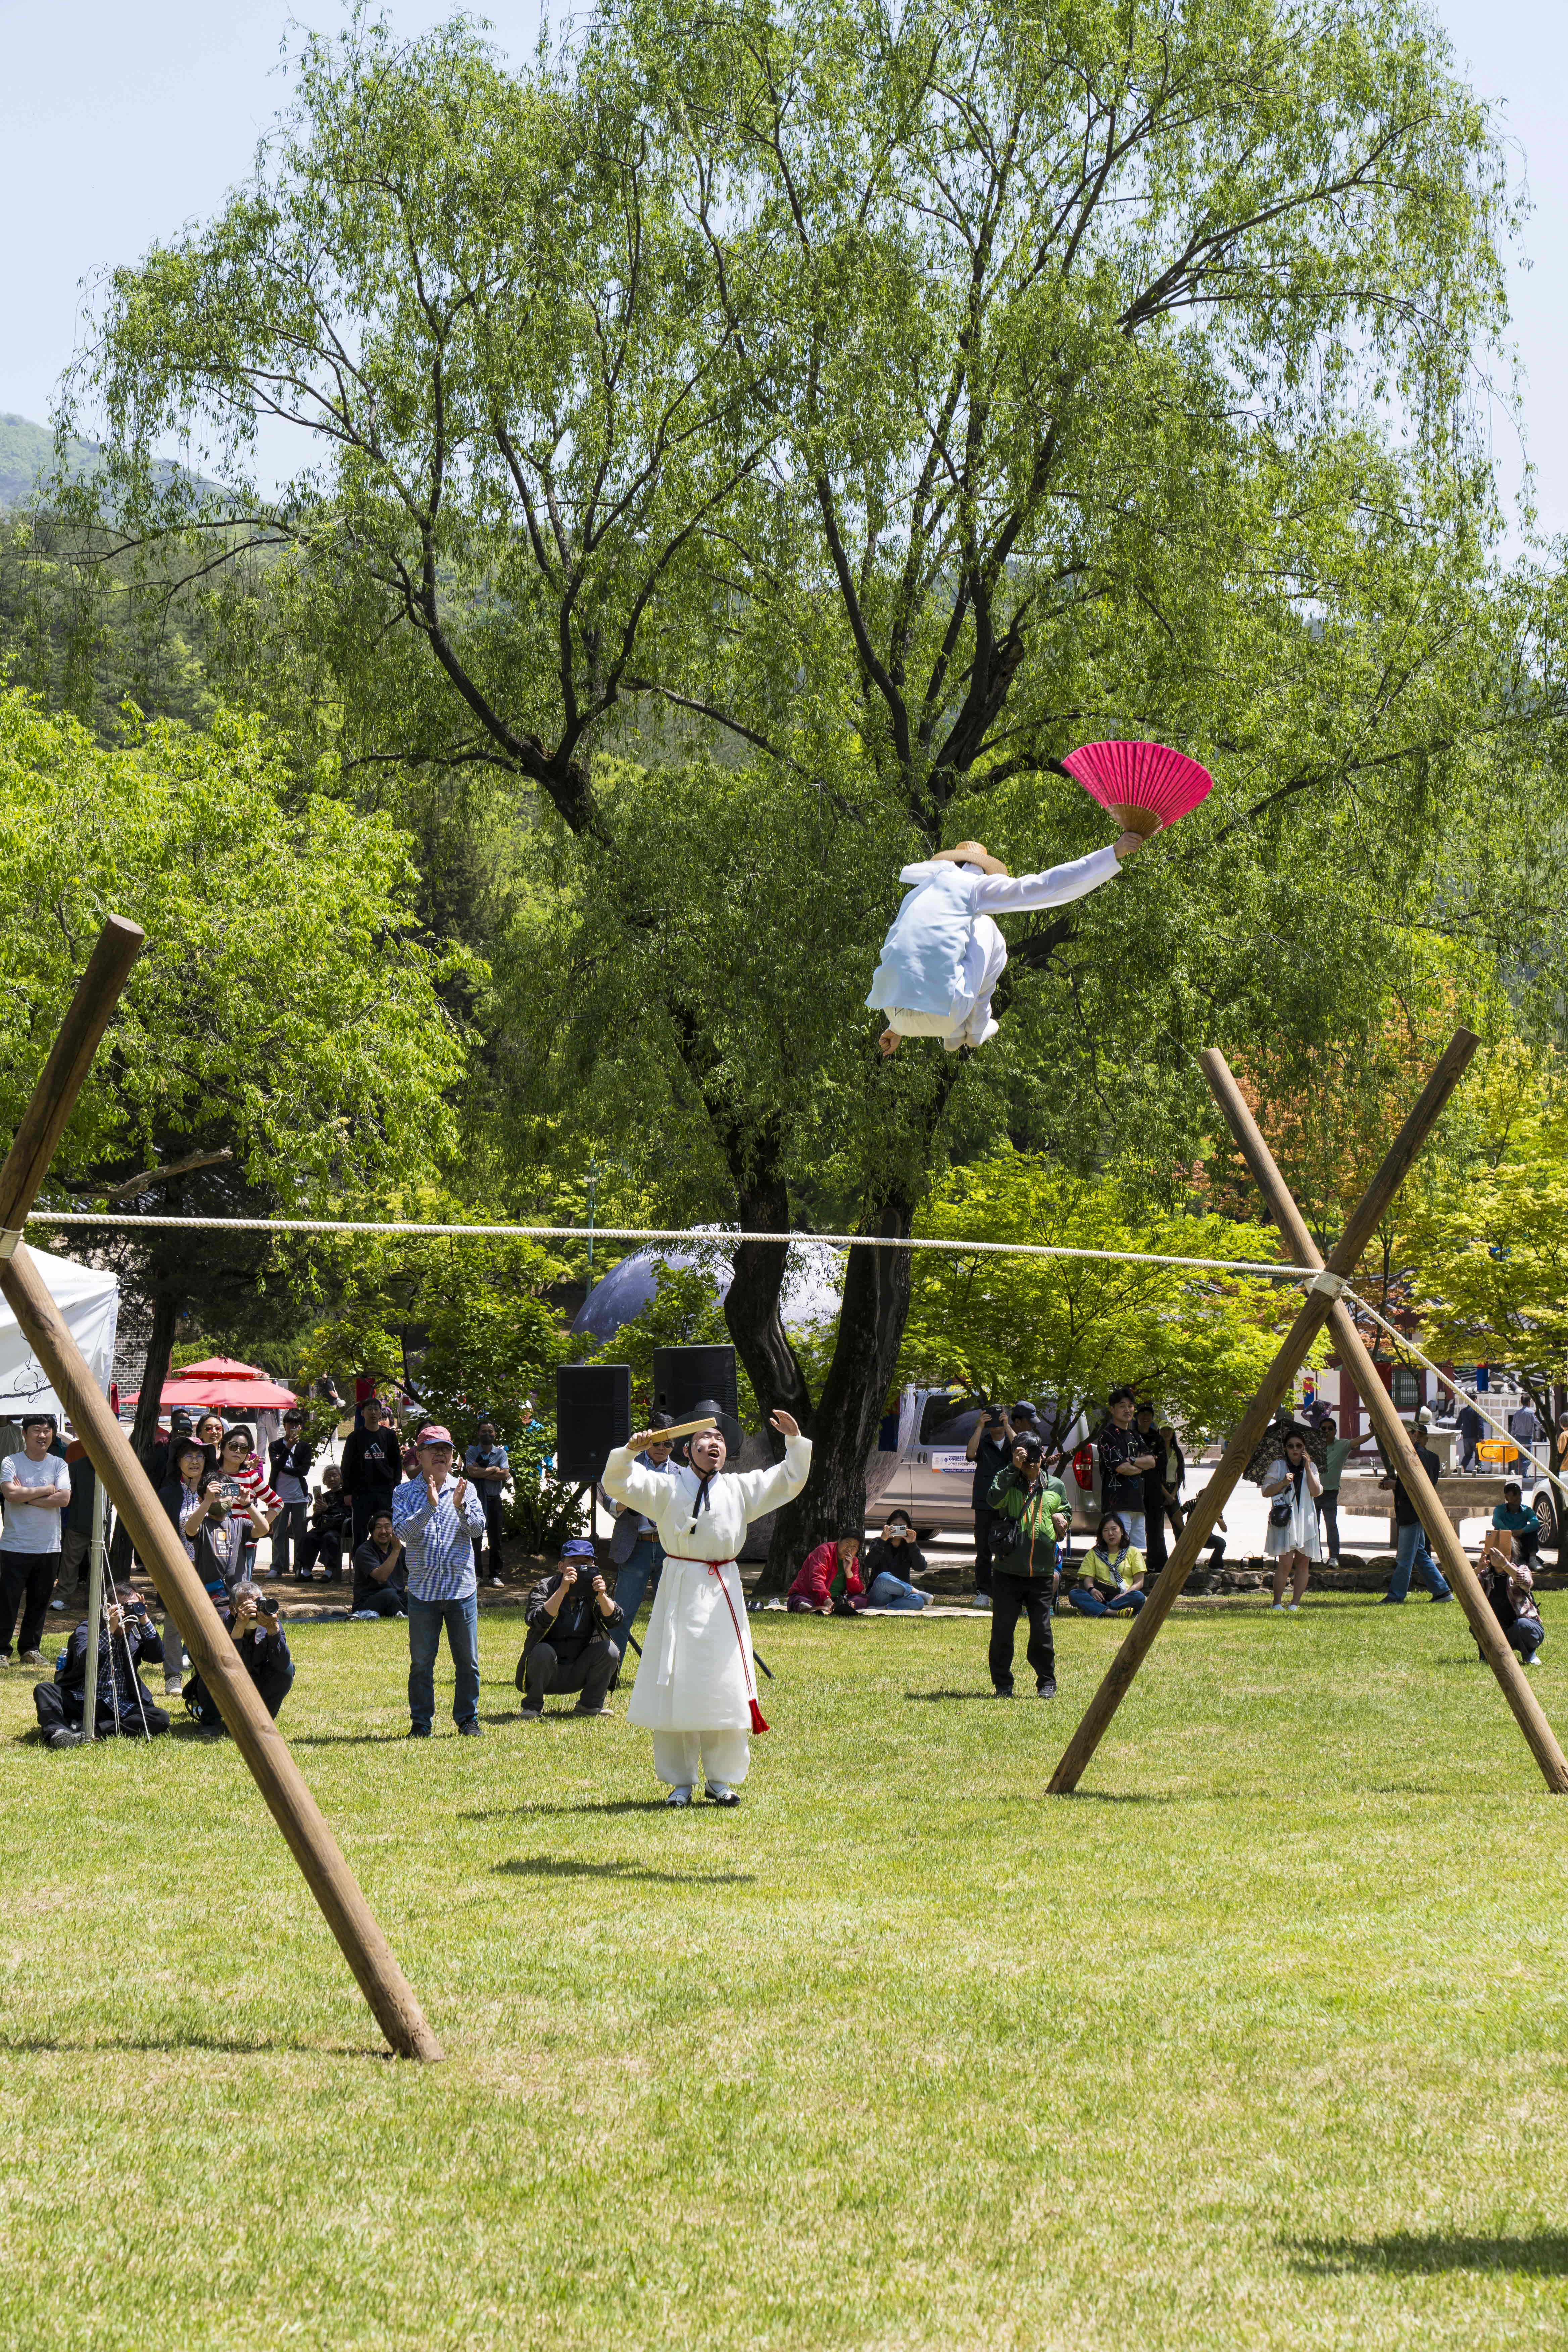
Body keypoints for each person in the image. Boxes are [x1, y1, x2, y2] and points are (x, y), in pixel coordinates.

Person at [601, 1409, 810, 1805]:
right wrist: (629, 1451)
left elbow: (788, 1479)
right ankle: (680, 1783)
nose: (713, 1444)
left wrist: (795, 1441)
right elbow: (619, 1483)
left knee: (724, 1684)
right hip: (680, 1591)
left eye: (719, 1439)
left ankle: (720, 1779)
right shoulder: (665, 1486)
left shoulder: (739, 1488)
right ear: (686, 1450)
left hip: (723, 1593)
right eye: (704, 1438)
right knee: (677, 1683)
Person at [868, 831, 1143, 1055]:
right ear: (984, 875)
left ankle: (954, 1034)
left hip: (894, 1010)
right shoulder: (974, 886)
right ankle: (975, 1029)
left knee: (947, 938)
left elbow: (908, 956)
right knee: (987, 928)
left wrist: (898, 1027)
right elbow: (1045, 886)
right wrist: (1112, 853)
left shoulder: (920, 893)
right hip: (944, 1013)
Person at [392, 1424, 488, 1738]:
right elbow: (402, 1533)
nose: (440, 1454)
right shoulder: (404, 1493)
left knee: (468, 1662)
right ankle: (421, 1723)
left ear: (453, 1457)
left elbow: (477, 1531)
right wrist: (429, 1507)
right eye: (433, 1449)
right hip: (424, 1593)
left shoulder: (466, 1489)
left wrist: (459, 1507)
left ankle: (468, 1720)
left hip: (462, 1590)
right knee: (422, 1664)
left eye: (446, 1449)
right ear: (419, 1456)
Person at [34, 1585, 169, 1746]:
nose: (129, 1615)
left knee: (159, 1718)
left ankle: (91, 1730)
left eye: (133, 1607)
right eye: (124, 1608)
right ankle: (58, 1732)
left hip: (120, 1704)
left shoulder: (136, 1633)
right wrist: (110, 1630)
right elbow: (85, 1660)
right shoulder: (87, 1629)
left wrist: (144, 1618)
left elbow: (157, 1657)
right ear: (108, 1608)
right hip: (83, 1700)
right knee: (44, 1690)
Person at [986, 1432, 1067, 1698]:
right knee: (1003, 1631)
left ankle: (1047, 1682)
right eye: (1024, 1452)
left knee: (1042, 1631)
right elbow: (993, 1499)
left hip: (1042, 1573)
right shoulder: (1007, 1479)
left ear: (1042, 1453)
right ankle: (1003, 1684)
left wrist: (1062, 1518)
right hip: (1007, 1572)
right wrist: (1013, 1467)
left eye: (1035, 1452)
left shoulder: (1055, 1485)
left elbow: (1066, 1510)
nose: (1031, 1459)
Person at [517, 1538, 625, 1717]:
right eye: (574, 1562)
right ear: (561, 1567)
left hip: (579, 1670)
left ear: (593, 1566)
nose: (580, 1567)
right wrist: (562, 1590)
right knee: (543, 1650)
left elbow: (616, 1620)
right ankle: (532, 1707)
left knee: (610, 1650)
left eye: (586, 1563)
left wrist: (602, 1596)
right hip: (547, 1670)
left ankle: (590, 1705)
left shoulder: (594, 1592)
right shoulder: (545, 1588)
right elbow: (536, 1621)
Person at [0, 1414, 72, 1669]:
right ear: (25, 1433)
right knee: (7, 1601)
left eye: (47, 1430)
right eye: (36, 1430)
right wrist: (47, 1490)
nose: (42, 1435)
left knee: (40, 1601)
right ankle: (2, 1651)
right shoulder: (11, 1462)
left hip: (49, 1546)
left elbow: (64, 1499)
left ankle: (30, 1648)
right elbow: (9, 1493)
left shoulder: (59, 1464)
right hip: (14, 1544)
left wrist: (26, 1497)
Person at [602, 1414, 677, 1647]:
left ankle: (666, 1670)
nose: (662, 1448)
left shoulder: (682, 1473)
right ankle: (611, 1668)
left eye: (668, 1443)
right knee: (621, 1617)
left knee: (672, 1618)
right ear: (648, 1439)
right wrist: (629, 1500)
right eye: (657, 1442)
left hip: (670, 1550)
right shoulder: (629, 1465)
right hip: (636, 1549)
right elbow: (607, 1499)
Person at [185, 1581, 295, 1733]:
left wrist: (273, 1629)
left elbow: (283, 1664)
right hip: (224, 1685)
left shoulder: (269, 1620)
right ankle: (211, 1723)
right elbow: (214, 1664)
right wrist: (239, 1627)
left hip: (256, 1681)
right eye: (246, 1606)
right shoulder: (216, 1622)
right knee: (212, 1667)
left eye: (257, 1604)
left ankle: (261, 1722)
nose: (253, 1611)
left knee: (287, 1671)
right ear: (233, 1609)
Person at [1375, 1428, 1452, 1606]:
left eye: (1407, 1433)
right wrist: (1394, 1484)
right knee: (1418, 1553)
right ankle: (1442, 1591)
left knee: (1404, 1558)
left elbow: (1421, 1487)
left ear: (1415, 1435)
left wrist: (1395, 1485)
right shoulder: (1427, 1456)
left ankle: (1396, 1596)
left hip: (1412, 1511)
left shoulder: (1417, 1456)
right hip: (1413, 1511)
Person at [1262, 1426, 1323, 1612]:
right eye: (1291, 1446)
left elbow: (1316, 1492)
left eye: (1299, 1446)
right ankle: (1277, 1603)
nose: (1295, 1449)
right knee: (1286, 1563)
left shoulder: (1311, 1466)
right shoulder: (1278, 1466)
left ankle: (1295, 1604)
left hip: (1306, 1518)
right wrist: (1283, 1482)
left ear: (1304, 1447)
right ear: (1285, 1448)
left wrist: (1308, 1468)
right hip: (1286, 1520)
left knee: (1303, 1563)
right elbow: (1266, 1492)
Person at [965, 1402, 1016, 1613]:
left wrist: (1007, 1426)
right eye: (991, 1417)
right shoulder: (983, 1441)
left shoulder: (1011, 1440)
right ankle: (984, 1593)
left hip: (1009, 1502)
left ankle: (1006, 1592)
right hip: (984, 1502)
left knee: (1010, 1548)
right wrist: (980, 1427)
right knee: (984, 1549)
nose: (995, 1421)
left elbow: (1020, 1450)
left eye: (999, 1416)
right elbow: (970, 1454)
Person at [213, 1426, 280, 1577]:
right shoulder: (211, 1475)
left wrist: (259, 1528)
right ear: (222, 1447)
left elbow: (277, 1503)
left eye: (243, 1449)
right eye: (233, 1446)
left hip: (245, 1544)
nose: (238, 1451)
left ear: (247, 1454)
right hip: (214, 1542)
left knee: (242, 1587)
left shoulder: (251, 1477)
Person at [340, 1396, 404, 1551]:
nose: (373, 1413)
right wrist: (347, 1492)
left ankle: (389, 1562)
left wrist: (396, 1487)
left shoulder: (389, 1436)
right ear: (363, 1413)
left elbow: (397, 1463)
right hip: (362, 1492)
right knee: (360, 1534)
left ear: (380, 1413)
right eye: (370, 1410)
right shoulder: (355, 1437)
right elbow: (346, 1466)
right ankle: (361, 1564)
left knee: (387, 1532)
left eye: (376, 1409)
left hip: (385, 1491)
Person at [1097, 1388, 1155, 1550]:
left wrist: (1133, 1460)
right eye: (1122, 1406)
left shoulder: (1135, 1435)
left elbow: (1152, 1462)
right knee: (1118, 1552)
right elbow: (1122, 1468)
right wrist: (1140, 1467)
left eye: (1130, 1406)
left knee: (1139, 1553)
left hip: (1138, 1504)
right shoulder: (1108, 1435)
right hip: (1117, 1505)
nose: (1127, 1410)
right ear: (1112, 1409)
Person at [1476, 1545, 1545, 1666]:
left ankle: (1529, 1655)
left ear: (1511, 1555)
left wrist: (1505, 1564)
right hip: (1498, 1629)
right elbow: (1466, 1589)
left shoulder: (1521, 1569)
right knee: (1479, 1623)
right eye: (1493, 1553)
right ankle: (1488, 1654)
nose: (1496, 1556)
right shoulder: (1485, 1575)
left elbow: (1527, 1583)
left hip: (1524, 1627)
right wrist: (1477, 1570)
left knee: (1522, 1625)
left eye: (1501, 1553)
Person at [52, 1432, 98, 1612]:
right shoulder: (77, 1467)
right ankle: (62, 1597)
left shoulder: (111, 1469)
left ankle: (96, 1600)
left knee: (99, 1565)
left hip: (101, 1527)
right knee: (69, 1563)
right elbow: (66, 1496)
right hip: (78, 1524)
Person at [1066, 1513, 1147, 1615]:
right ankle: (1114, 1612)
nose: (1110, 1534)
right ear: (1102, 1535)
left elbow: (1139, 1582)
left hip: (1124, 1596)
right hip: (1101, 1597)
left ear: (1122, 1531)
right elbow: (1088, 1580)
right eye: (1106, 1531)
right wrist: (1092, 1590)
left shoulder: (1133, 1552)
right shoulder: (1094, 1553)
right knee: (1074, 1594)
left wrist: (1125, 1594)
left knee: (1139, 1597)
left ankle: (1096, 1609)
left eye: (1114, 1529)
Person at [464, 1419, 512, 1588]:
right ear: (478, 1433)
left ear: (495, 1434)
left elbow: (505, 1475)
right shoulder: (471, 1452)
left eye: (490, 1431)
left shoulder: (501, 1454)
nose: (487, 1434)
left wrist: (481, 1472)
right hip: (475, 1502)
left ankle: (495, 1576)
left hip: (494, 1500)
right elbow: (472, 1473)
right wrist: (494, 1469)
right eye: (484, 1431)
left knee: (496, 1539)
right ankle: (477, 1575)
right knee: (475, 1538)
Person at [268, 1409, 314, 1581]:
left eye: (297, 1424)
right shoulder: (275, 1446)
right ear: (285, 1425)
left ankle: (299, 1567)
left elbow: (304, 1470)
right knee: (278, 1533)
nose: (294, 1427)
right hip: (280, 1496)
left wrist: (286, 1469)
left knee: (300, 1534)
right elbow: (276, 1466)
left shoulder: (305, 1447)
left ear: (301, 1427)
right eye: (290, 1424)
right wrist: (287, 1448)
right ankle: (277, 1567)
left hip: (299, 1496)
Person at [860, 1511, 932, 1609]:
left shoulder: (909, 1546)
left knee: (919, 1601)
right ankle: (916, 1592)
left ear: (908, 1528)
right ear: (888, 1527)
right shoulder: (878, 1542)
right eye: (895, 1526)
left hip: (899, 1597)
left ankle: (884, 1608)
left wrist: (912, 1544)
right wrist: (883, 1540)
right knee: (883, 1577)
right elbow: (869, 1563)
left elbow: (921, 1567)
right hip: (880, 1594)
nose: (898, 1529)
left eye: (902, 1526)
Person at [296, 1466, 352, 1582]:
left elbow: (348, 1514)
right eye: (328, 1477)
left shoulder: (347, 1496)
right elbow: (316, 1523)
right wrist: (317, 1513)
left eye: (335, 1476)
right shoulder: (324, 1497)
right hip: (323, 1528)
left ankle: (329, 1573)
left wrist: (328, 1509)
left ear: (341, 1478)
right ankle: (307, 1573)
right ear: (325, 1481)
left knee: (329, 1538)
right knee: (308, 1537)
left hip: (341, 1529)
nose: (332, 1479)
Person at [350, 1508, 409, 1618]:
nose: (383, 1532)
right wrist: (396, 1551)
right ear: (372, 1531)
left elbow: (414, 1569)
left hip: (397, 1597)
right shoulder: (364, 1551)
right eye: (379, 1528)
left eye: (387, 1527)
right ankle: (405, 1613)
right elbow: (381, 1577)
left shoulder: (398, 1548)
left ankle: (404, 1612)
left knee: (416, 1596)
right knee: (389, 1595)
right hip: (368, 1601)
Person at [787, 1534, 865, 1614]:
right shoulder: (824, 1551)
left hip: (836, 1599)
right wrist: (827, 1601)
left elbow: (857, 1591)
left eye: (854, 1547)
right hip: (810, 1595)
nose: (849, 1549)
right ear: (839, 1541)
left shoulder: (853, 1561)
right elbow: (817, 1579)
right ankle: (806, 1607)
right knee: (801, 1601)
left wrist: (848, 1571)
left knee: (863, 1599)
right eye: (848, 1543)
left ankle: (841, 1606)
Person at [1134, 1403, 1169, 1576]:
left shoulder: (1157, 1438)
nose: (1146, 1417)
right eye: (1142, 1414)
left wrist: (1145, 1461)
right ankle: (1132, 1565)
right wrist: (1147, 1461)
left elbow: (1161, 1462)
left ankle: (1158, 1563)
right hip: (1134, 1486)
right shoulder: (1131, 1436)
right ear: (1137, 1417)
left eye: (1149, 1415)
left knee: (1156, 1528)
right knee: (1131, 1527)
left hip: (1154, 1487)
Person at [1317, 1418, 1353, 1565]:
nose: (1327, 1431)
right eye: (1323, 1429)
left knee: (1331, 1525)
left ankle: (1334, 1557)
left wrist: (1372, 1433)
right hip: (1313, 1492)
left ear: (1335, 1431)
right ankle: (1316, 1557)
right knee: (1313, 1527)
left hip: (1331, 1493)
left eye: (1330, 1429)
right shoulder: (1314, 1447)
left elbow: (1357, 1442)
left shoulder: (1342, 1445)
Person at [1482, 1481, 1540, 1571]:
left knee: (1533, 1531)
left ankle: (1533, 1559)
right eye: (1514, 1494)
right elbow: (1496, 1522)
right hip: (1506, 1538)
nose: (1518, 1497)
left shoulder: (1527, 1510)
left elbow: (1536, 1523)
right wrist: (1509, 1533)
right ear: (1507, 1498)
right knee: (1497, 1532)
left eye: (1520, 1494)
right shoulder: (1500, 1509)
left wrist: (1522, 1531)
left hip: (1522, 1537)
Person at [1509, 1400, 1539, 1491]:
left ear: (1521, 1402)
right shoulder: (1531, 1413)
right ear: (1529, 1402)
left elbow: (1513, 1426)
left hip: (1518, 1438)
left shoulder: (1517, 1413)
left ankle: (1524, 1476)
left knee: (1521, 1458)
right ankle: (1517, 1471)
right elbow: (1538, 1424)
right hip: (1527, 1438)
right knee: (1529, 1459)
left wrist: (1511, 1437)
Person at [1456, 1395, 1486, 1475]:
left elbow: (1458, 1424)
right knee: (1479, 1455)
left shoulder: (1463, 1411)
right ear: (1475, 1400)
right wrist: (1482, 1437)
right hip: (1476, 1438)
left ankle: (1462, 1468)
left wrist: (1460, 1433)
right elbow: (1480, 1426)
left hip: (1466, 1438)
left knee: (1468, 1456)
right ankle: (1478, 1472)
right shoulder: (1478, 1411)